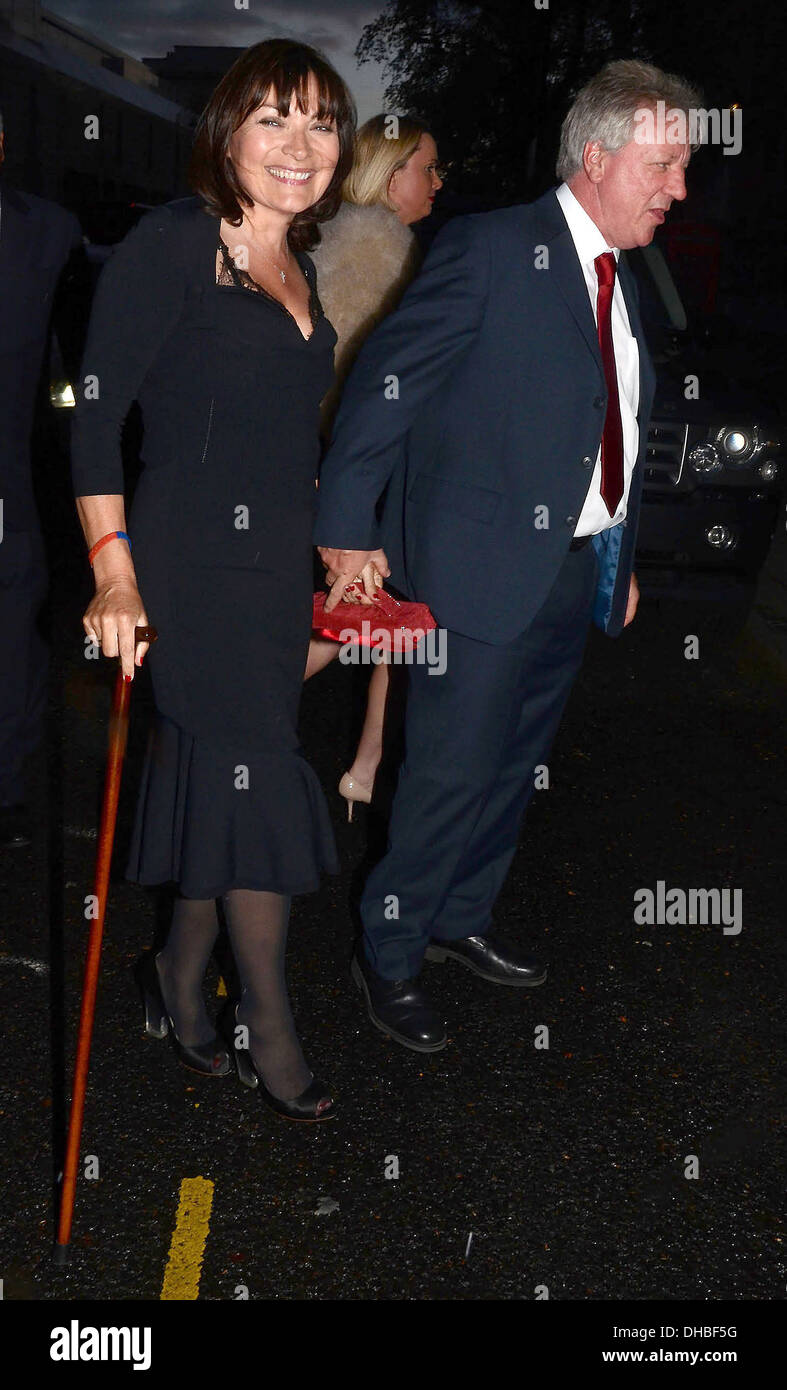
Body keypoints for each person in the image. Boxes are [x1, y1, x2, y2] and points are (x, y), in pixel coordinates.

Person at [314, 59, 700, 1052]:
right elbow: (382, 386)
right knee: (448, 771)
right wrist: (349, 527)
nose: (679, 188)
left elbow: (603, 426)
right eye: (663, 166)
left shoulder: (618, 277)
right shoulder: (492, 248)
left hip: (568, 569)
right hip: (477, 570)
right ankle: (388, 955)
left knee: (513, 767)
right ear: (601, 157)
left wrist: (617, 552)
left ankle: (457, 917)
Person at [71, 39, 356, 1122]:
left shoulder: (301, 259)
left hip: (273, 567)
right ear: (226, 131)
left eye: (320, 122)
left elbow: (278, 430)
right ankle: (265, 1025)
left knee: (217, 783)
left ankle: (177, 976)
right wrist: (113, 573)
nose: (298, 146)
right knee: (258, 773)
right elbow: (95, 412)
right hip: (189, 568)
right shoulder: (177, 242)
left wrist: (338, 538)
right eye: (273, 119)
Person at [305, 115, 443, 820]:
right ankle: (227, 714)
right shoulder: (372, 245)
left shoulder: (374, 240)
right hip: (360, 468)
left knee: (387, 619)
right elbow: (353, 379)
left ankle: (366, 763)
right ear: (392, 176)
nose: (436, 183)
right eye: (427, 168)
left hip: (359, 466)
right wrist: (351, 495)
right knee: (351, 617)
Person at [0, 108, 82, 848]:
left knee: (13, 636)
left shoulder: (47, 232)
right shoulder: (45, 230)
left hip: (13, 486)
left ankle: (6, 787)